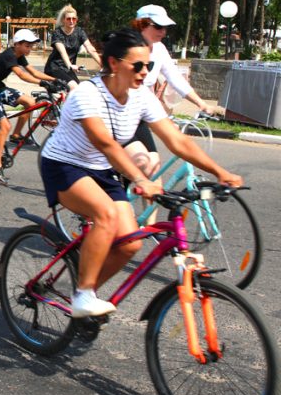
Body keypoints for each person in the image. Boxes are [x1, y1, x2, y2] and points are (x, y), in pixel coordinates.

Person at [39, 28, 242, 317]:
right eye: (137, 65)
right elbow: (105, 143)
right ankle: (83, 295)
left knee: (131, 242)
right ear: (113, 64)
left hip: (100, 169)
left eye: (147, 65)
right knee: (105, 215)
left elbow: (177, 140)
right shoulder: (88, 94)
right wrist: (140, 179)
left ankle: (84, 292)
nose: (145, 71)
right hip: (64, 165)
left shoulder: (141, 97)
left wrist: (220, 171)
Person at [125, 4, 224, 179]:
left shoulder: (160, 49)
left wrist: (201, 104)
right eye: (158, 26)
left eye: (166, 27)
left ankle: (147, 204)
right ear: (142, 24)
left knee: (153, 170)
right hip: (122, 113)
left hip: (141, 110)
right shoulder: (127, 47)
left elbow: (175, 78)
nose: (163, 32)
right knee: (140, 167)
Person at [0, 29, 59, 182]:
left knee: (30, 102)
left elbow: (33, 72)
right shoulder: (9, 55)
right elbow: (22, 75)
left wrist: (54, 80)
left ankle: (16, 135)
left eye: (31, 45)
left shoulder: (20, 55)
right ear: (17, 44)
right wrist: (42, 83)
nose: (30, 48)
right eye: (27, 45)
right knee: (4, 126)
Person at [44, 4, 99, 89]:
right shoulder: (57, 33)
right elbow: (63, 52)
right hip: (55, 68)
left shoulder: (79, 32)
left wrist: (104, 65)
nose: (71, 21)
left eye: (74, 19)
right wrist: (70, 65)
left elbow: (90, 48)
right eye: (68, 19)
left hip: (68, 69)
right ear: (63, 20)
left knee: (81, 89)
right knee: (74, 87)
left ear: (76, 20)